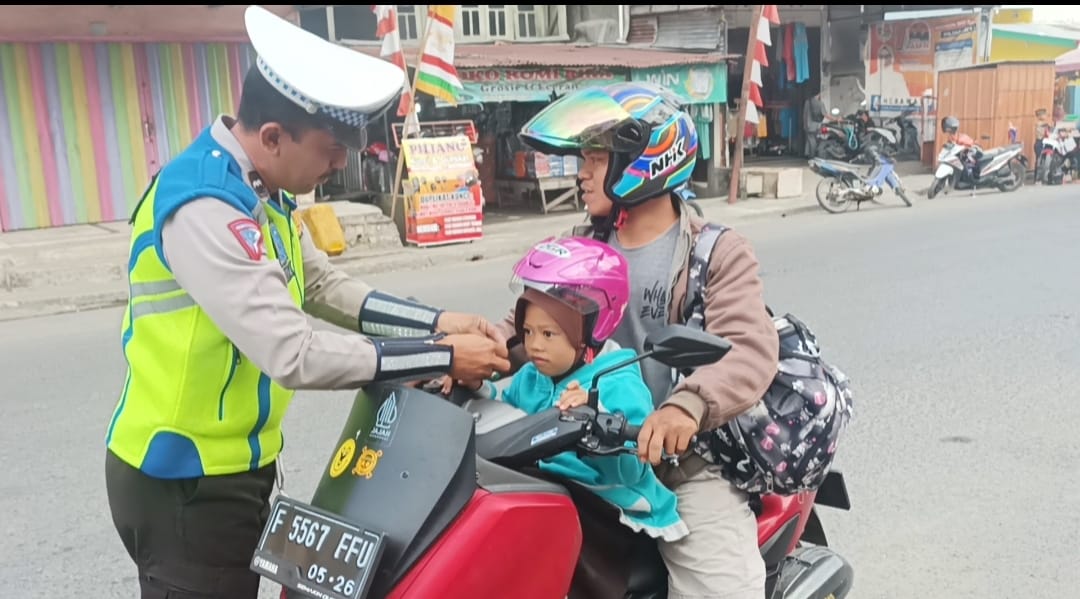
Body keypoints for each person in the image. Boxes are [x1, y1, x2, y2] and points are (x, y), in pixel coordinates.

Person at [103, 6, 509, 599]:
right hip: (183, 482)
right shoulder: (205, 207)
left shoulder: (259, 193)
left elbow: (322, 286)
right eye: (330, 149)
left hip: (231, 471)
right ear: (272, 137)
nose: (341, 162)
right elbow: (294, 353)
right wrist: (440, 356)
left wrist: (437, 322)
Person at [506, 82, 779, 598]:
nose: (581, 172)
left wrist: (686, 408)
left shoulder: (714, 253)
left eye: (594, 157)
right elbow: (527, 331)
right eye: (581, 158)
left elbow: (745, 346)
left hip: (680, 465)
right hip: (579, 453)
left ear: (644, 158)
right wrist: (468, 355)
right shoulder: (581, 246)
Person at [461, 236, 690, 541]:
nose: (534, 345)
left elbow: (634, 465)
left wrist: (599, 416)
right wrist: (474, 386)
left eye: (548, 333)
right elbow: (504, 415)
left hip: (608, 512)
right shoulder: (532, 375)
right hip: (542, 496)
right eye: (527, 331)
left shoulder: (616, 381)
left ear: (587, 334)